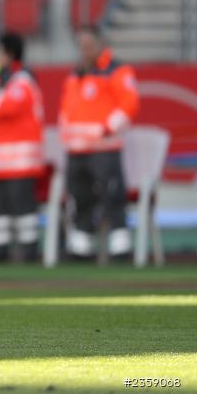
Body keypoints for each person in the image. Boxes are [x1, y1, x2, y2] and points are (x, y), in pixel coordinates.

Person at [59, 26, 139, 260]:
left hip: (104, 149)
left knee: (112, 197)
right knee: (80, 199)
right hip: (77, 150)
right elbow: (67, 107)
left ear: (100, 44)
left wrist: (107, 129)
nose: (85, 50)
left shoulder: (116, 70)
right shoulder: (76, 74)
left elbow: (130, 103)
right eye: (81, 46)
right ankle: (81, 249)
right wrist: (66, 130)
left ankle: (120, 248)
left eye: (89, 45)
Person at [0, 33, 44, 262]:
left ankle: (29, 250)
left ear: (8, 54)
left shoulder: (22, 81)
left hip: (19, 163)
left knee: (23, 209)